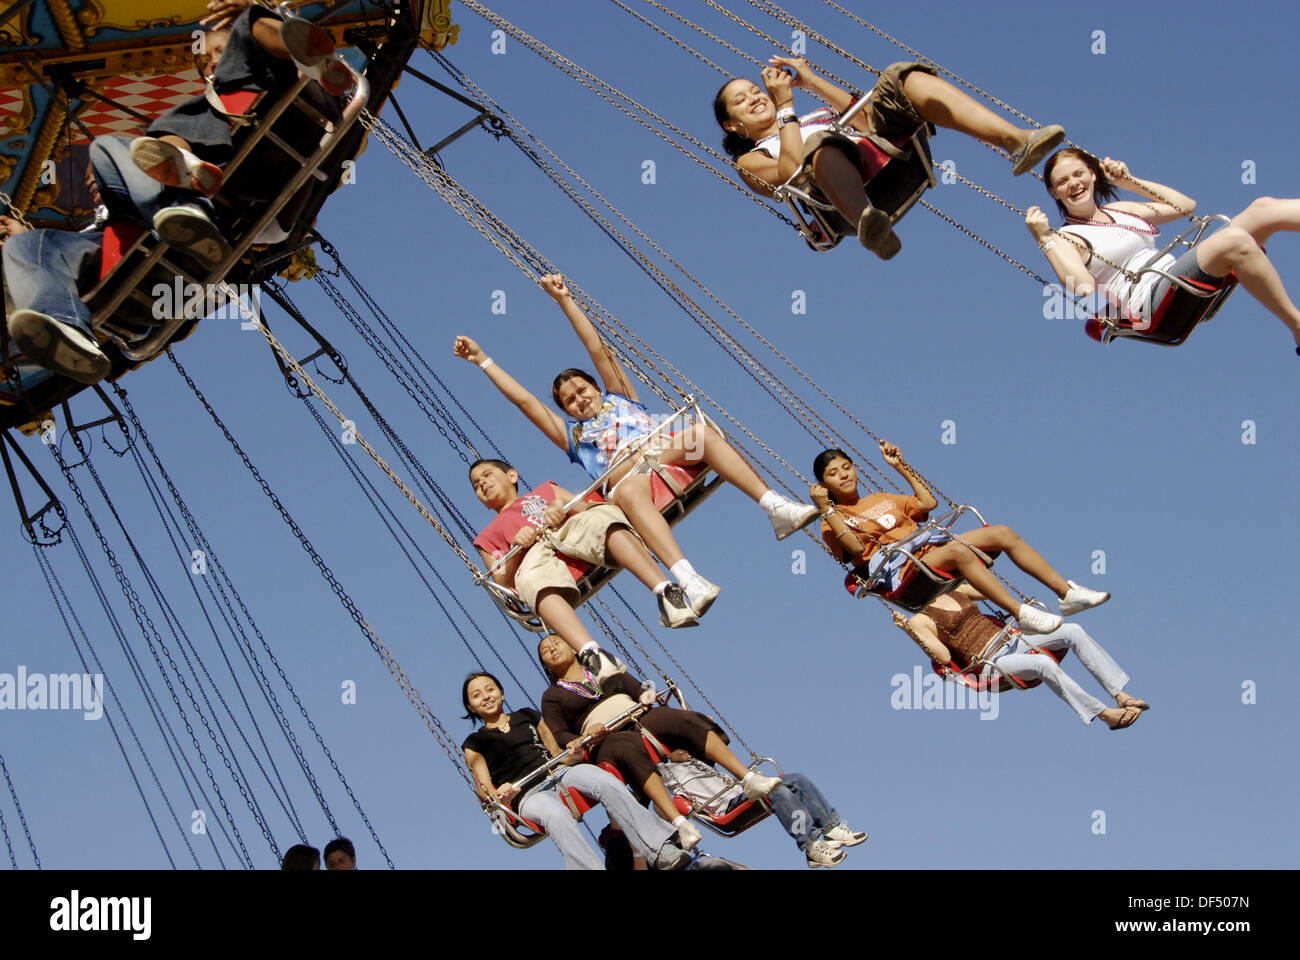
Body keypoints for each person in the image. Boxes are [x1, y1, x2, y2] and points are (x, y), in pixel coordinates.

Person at [454, 273, 819, 617]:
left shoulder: (620, 397)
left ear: (596, 387)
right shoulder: (575, 437)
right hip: (628, 477)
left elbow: (596, 348)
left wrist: (565, 301)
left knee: (703, 434)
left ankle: (774, 506)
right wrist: (483, 361)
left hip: (662, 451)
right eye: (569, 401)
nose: (579, 400)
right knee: (626, 491)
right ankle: (688, 578)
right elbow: (526, 404)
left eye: (581, 390)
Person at [538, 635, 868, 868]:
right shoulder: (554, 696)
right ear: (547, 667)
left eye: (556, 640)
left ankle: (823, 820)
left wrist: (644, 696)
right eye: (545, 650)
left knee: (689, 722)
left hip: (647, 722)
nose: (552, 646)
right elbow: (561, 733)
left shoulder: (601, 668)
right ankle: (809, 844)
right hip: (608, 736)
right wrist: (580, 740)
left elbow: (634, 687)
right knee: (627, 749)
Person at [713, 56, 1065, 258]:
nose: (755, 98)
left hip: (892, 159)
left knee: (901, 77)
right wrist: (786, 107)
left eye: (755, 90)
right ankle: (869, 223)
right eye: (741, 100)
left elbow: (867, 122)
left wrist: (812, 82)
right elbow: (790, 171)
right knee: (821, 145)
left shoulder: (815, 115)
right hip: (842, 203)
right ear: (732, 125)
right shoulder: (751, 161)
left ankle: (1015, 141)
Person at [811, 443, 1108, 634]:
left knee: (1002, 533)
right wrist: (826, 509)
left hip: (931, 550)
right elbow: (856, 548)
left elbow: (928, 504)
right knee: (959, 552)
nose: (844, 475)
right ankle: (1021, 612)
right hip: (905, 573)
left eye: (847, 467)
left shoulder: (882, 497)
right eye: (834, 474)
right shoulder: (832, 522)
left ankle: (1066, 594)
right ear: (825, 484)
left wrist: (901, 466)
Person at [1026, 149, 1300, 354]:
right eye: (1062, 181)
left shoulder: (1119, 211)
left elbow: (1184, 206)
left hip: (1176, 280)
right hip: (1153, 304)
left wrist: (1129, 181)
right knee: (1234, 239)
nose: (1073, 183)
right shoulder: (1065, 237)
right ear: (1053, 192)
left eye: (1078, 174)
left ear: (1092, 175)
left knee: (1263, 209)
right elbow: (1083, 288)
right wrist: (1043, 239)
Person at [2, 136, 226, 384]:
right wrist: (28, 240)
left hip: (152, 232)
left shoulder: (128, 197)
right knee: (18, 245)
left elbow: (171, 146)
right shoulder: (91, 233)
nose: (89, 183)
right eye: (88, 182)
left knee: (104, 146)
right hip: (117, 282)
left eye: (94, 177)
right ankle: (67, 326)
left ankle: (186, 217)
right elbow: (62, 250)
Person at [470, 457, 697, 689]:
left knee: (601, 517)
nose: (482, 484)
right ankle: (592, 654)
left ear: (512, 475)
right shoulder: (487, 537)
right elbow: (503, 581)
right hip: (533, 557)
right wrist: (517, 549)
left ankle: (665, 591)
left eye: (487, 475)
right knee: (529, 581)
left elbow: (585, 509)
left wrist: (560, 507)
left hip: (567, 530)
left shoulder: (546, 490)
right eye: (476, 485)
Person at [460, 671, 692, 871]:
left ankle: (659, 849)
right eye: (477, 695)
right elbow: (483, 788)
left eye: (490, 689)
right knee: (556, 815)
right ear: (471, 707)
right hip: (527, 793)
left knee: (605, 781)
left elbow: (554, 750)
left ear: (501, 692)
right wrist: (500, 795)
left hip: (557, 772)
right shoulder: (475, 742)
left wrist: (574, 755)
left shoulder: (527, 716)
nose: (486, 697)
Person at [129, 0, 350, 202]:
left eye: (221, 52)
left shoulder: (261, 62)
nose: (214, 62)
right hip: (252, 171)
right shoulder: (205, 112)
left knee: (249, 18)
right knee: (167, 125)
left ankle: (313, 60)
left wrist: (248, 14)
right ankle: (188, 169)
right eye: (205, 62)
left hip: (300, 115)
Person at [907, 584, 1149, 729]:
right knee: (1042, 662)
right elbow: (943, 656)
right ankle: (1104, 715)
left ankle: (1121, 694)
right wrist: (911, 633)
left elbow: (989, 588)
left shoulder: (957, 590)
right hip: (991, 663)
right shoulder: (918, 620)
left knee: (1072, 631)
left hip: (1013, 640)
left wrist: (974, 561)